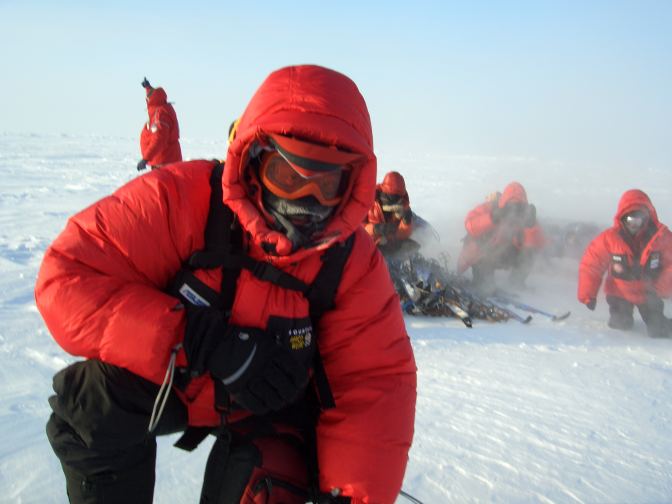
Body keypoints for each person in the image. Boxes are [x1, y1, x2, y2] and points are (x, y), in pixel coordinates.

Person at [36, 65, 417, 503]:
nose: (305, 202)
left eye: (327, 184)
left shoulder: (351, 261)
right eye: (288, 176)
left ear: (352, 183)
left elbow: (374, 385)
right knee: (89, 408)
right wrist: (196, 340)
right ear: (255, 161)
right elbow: (66, 277)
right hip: (176, 381)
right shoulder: (181, 199)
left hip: (271, 410)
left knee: (268, 487)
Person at [578, 189, 672, 338]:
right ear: (622, 218)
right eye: (630, 221)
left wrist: (662, 287)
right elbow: (591, 264)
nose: (635, 225)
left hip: (648, 293)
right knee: (620, 325)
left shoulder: (661, 238)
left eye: (639, 220)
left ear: (647, 218)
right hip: (620, 293)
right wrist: (588, 294)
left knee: (659, 330)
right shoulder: (609, 238)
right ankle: (623, 317)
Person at [457, 181, 545, 293]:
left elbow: (539, 245)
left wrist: (532, 226)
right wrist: (492, 217)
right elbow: (470, 225)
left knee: (529, 252)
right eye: (510, 205)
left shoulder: (524, 215)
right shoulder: (490, 208)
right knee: (478, 244)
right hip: (481, 253)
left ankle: (515, 283)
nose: (513, 210)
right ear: (503, 202)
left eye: (518, 206)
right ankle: (483, 282)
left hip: (503, 252)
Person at [364, 171, 417, 256]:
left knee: (412, 247)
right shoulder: (368, 201)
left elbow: (401, 235)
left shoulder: (404, 207)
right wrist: (376, 229)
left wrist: (406, 223)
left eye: (399, 196)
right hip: (369, 246)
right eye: (394, 196)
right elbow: (356, 229)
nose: (398, 200)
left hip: (390, 246)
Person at [137, 77, 182, 171]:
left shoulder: (160, 115)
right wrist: (148, 87)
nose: (147, 100)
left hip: (164, 163)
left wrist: (146, 159)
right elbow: (154, 95)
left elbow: (159, 139)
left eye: (148, 98)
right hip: (166, 160)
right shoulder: (162, 108)